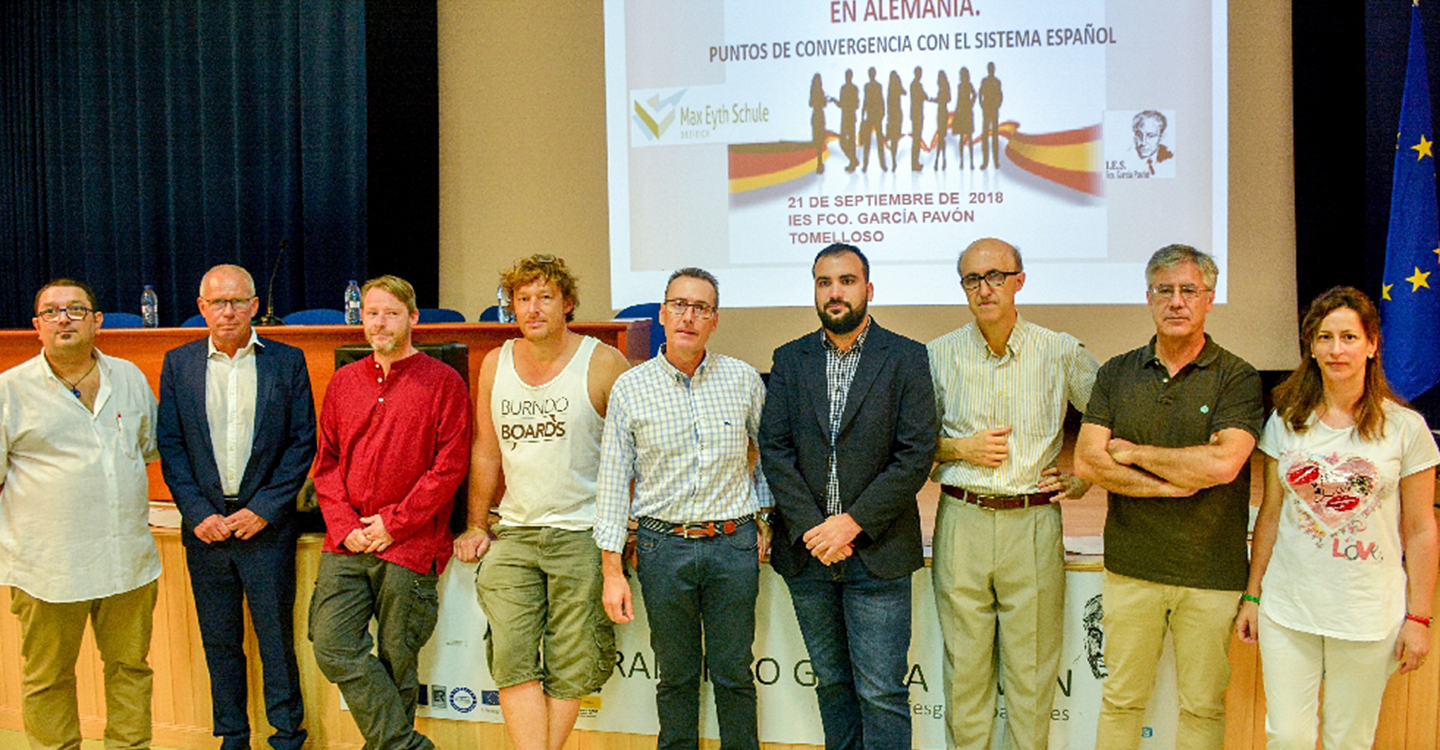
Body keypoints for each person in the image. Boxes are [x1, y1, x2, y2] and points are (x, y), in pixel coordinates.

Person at [1074, 244, 1263, 750]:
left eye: (1188, 291)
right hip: (1131, 568)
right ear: (1149, 298)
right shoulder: (1116, 372)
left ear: (1209, 298)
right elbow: (1089, 461)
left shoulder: (1238, 375)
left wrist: (1134, 452)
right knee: (1120, 700)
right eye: (1165, 291)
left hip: (1212, 574)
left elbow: (1224, 464)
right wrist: (1174, 481)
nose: (1176, 301)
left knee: (1201, 706)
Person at [1235, 286, 1438, 750]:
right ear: (1311, 346)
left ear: (1371, 345)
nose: (1336, 349)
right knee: (1286, 736)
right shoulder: (1286, 421)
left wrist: (1419, 618)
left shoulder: (1405, 429)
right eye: (1325, 337)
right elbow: (1269, 516)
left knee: (1350, 738)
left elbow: (1422, 529)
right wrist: (1253, 596)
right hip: (1290, 610)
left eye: (1349, 337)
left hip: (1368, 613)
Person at [760, 244, 937, 750]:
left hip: (877, 553)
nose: (835, 292)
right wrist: (817, 529)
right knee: (833, 686)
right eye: (824, 282)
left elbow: (914, 454)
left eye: (847, 280)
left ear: (868, 289)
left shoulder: (906, 357)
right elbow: (776, 449)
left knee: (881, 692)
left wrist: (851, 524)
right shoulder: (790, 360)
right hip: (809, 553)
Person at [928, 239, 1098, 750]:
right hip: (963, 519)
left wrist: (1085, 475)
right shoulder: (938, 355)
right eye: (972, 280)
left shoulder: (1060, 350)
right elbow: (909, 443)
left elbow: (1110, 419)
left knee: (1032, 671)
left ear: (1020, 279)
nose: (984, 289)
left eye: (996, 276)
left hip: (1033, 523)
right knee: (965, 670)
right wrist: (960, 448)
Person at [455, 255, 629, 750]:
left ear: (568, 303)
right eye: (522, 299)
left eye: (544, 297)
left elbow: (630, 454)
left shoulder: (602, 362)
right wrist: (474, 523)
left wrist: (625, 529)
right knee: (511, 656)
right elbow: (486, 450)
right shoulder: (495, 362)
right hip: (514, 533)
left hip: (582, 533)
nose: (532, 308)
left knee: (570, 662)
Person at [595, 267, 772, 750]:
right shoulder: (632, 389)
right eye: (679, 305)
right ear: (661, 314)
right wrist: (612, 568)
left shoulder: (743, 380)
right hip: (661, 548)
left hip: (732, 547)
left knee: (734, 673)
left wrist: (764, 513)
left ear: (714, 320)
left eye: (700, 308)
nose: (688, 316)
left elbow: (772, 453)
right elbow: (612, 480)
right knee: (675, 677)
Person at [309, 275, 471, 750]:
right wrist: (345, 526)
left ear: (413, 318)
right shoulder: (344, 381)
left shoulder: (444, 381)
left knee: (398, 660)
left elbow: (450, 467)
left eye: (390, 313)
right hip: (348, 540)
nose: (379, 323)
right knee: (333, 646)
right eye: (371, 313)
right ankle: (405, 746)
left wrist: (393, 524)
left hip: (410, 544)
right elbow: (327, 463)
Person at [157, 264, 315, 750]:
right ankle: (232, 734)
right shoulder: (178, 363)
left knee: (275, 639)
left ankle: (287, 734)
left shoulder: (286, 362)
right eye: (216, 303)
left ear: (254, 307)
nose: (227, 311)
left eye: (237, 302)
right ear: (201, 308)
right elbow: (172, 444)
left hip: (264, 526)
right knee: (220, 641)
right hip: (205, 526)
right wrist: (197, 512)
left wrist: (265, 509)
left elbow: (301, 443)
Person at [0, 279, 161, 749]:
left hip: (126, 562)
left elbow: (147, 448)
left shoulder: (129, 376)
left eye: (75, 309)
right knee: (48, 679)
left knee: (131, 670)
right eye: (51, 312)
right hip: (47, 567)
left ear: (97, 320)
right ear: (36, 327)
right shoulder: (10, 390)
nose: (63, 319)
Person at [860, 67, 886, 172]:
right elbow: (865, 101)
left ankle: (882, 164)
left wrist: (882, 113)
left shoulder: (878, 86)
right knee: (867, 142)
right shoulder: (867, 86)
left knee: (879, 142)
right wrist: (863, 115)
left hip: (876, 116)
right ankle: (865, 165)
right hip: (870, 116)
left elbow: (881, 99)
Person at [978, 62, 1003, 169]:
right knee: (985, 137)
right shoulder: (984, 81)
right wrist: (982, 105)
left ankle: (996, 161)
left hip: (994, 111)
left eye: (992, 68)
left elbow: (1000, 95)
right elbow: (980, 94)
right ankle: (985, 162)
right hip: (986, 111)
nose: (991, 70)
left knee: (994, 137)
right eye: (990, 68)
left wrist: (997, 105)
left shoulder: (997, 82)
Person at [838, 69, 860, 172]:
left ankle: (853, 162)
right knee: (843, 142)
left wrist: (846, 105)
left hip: (849, 117)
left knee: (850, 142)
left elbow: (856, 104)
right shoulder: (844, 89)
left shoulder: (852, 89)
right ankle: (853, 159)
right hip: (847, 117)